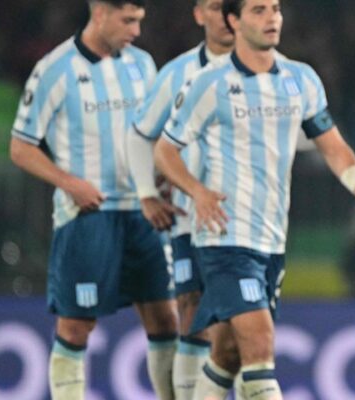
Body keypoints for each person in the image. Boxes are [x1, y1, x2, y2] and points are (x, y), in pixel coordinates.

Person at [153, 0, 355, 398]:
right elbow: (165, 150)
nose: (272, 18)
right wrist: (199, 191)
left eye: (275, 9)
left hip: (271, 239)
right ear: (234, 20)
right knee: (260, 346)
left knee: (227, 352)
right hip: (224, 238)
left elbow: (332, 145)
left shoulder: (301, 79)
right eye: (259, 10)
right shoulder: (209, 83)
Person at [8, 1, 180, 399]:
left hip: (143, 212)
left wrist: (162, 177)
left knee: (165, 319)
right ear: (100, 13)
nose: (136, 30)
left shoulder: (142, 64)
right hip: (88, 215)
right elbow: (21, 146)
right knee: (76, 325)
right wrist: (69, 183)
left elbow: (152, 133)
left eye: (140, 20)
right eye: (128, 20)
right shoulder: (56, 69)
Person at [127, 0, 235, 398]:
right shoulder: (177, 73)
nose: (224, 17)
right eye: (215, 7)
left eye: (231, 8)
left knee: (243, 326)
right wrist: (147, 194)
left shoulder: (274, 72)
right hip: (192, 217)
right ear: (199, 14)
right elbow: (140, 134)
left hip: (251, 224)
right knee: (191, 307)